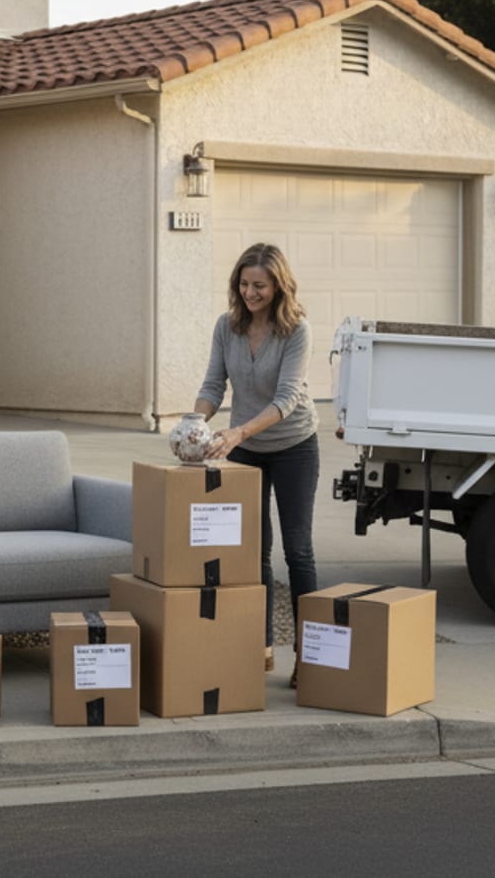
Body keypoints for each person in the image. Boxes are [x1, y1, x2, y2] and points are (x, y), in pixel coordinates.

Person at [194, 242, 320, 687]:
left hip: (293, 446)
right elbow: (213, 384)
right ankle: (260, 647)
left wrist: (237, 432)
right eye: (244, 284)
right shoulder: (226, 327)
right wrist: (194, 424)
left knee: (298, 551)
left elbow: (287, 399)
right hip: (244, 448)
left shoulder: (296, 331)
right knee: (253, 555)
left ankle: (312, 654)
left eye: (259, 286)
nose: (250, 293)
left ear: (279, 286)